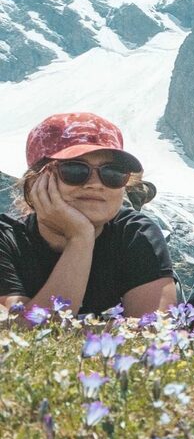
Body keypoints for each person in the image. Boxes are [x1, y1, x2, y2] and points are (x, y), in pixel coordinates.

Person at [1, 113, 176, 319]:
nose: (95, 183)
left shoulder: (135, 234)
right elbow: (21, 337)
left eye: (113, 173)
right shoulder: (6, 240)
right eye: (75, 170)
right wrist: (80, 238)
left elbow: (158, 338)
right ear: (35, 181)